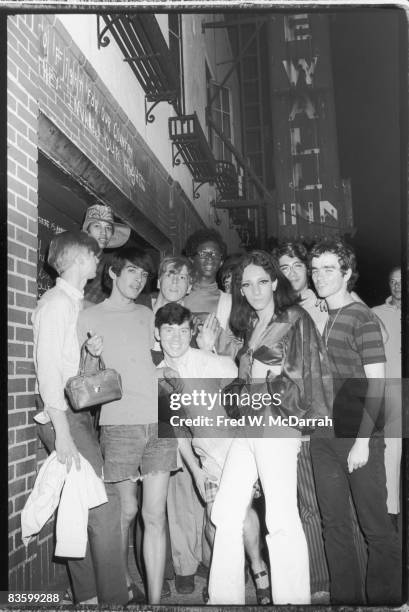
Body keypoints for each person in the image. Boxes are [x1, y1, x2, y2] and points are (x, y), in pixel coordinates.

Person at [208, 250, 332, 605]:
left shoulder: (293, 318)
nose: (255, 290)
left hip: (277, 425)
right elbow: (245, 382)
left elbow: (311, 378)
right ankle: (223, 598)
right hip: (248, 428)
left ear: (275, 283)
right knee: (226, 512)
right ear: (241, 292)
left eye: (262, 281)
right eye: (247, 285)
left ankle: (292, 600)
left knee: (280, 517)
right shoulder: (250, 327)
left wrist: (270, 382)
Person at [31, 230, 128, 606]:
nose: (98, 262)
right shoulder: (57, 302)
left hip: (74, 415)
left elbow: (72, 371)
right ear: (75, 259)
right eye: (93, 255)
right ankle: (111, 599)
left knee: (81, 504)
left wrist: (90, 353)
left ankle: (87, 596)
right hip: (63, 418)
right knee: (103, 507)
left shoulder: (73, 303)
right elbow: (48, 373)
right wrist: (64, 434)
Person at [77, 248, 178, 605]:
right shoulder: (89, 316)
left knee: (155, 516)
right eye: (132, 271)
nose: (138, 279)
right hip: (119, 425)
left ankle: (154, 601)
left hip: (158, 421)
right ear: (114, 274)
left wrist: (164, 370)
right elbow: (84, 383)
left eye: (143, 275)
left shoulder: (145, 313)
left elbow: (154, 359)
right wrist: (90, 353)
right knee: (126, 511)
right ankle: (119, 589)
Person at [155, 303, 271, 604]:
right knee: (213, 519)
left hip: (239, 449)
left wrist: (257, 456)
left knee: (238, 514)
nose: (177, 337)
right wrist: (197, 472)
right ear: (158, 334)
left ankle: (257, 571)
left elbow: (248, 406)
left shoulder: (213, 363)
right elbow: (177, 432)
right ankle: (223, 572)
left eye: (183, 330)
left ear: (191, 332)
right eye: (169, 330)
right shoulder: (159, 377)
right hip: (207, 457)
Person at [309, 239, 401, 605]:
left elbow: (376, 384)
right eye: (316, 269)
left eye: (329, 268)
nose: (319, 276)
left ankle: (386, 599)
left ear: (347, 273)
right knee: (334, 526)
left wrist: (363, 441)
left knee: (376, 528)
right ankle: (345, 600)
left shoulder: (362, 317)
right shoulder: (325, 317)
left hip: (357, 433)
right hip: (323, 436)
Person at [273, 241, 329, 602]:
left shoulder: (326, 304)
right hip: (297, 417)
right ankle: (320, 579)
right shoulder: (282, 311)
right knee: (307, 502)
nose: (291, 273)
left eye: (296, 265)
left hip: (330, 411)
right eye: (284, 267)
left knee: (334, 501)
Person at [372, 266, 402, 528]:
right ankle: (392, 513)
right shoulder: (375, 314)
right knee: (391, 453)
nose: (397, 286)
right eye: (393, 282)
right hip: (391, 392)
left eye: (402, 282)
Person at [81, 204, 130, 307]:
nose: (103, 233)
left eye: (108, 228)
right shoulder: (74, 258)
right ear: (88, 231)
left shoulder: (112, 266)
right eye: (97, 226)